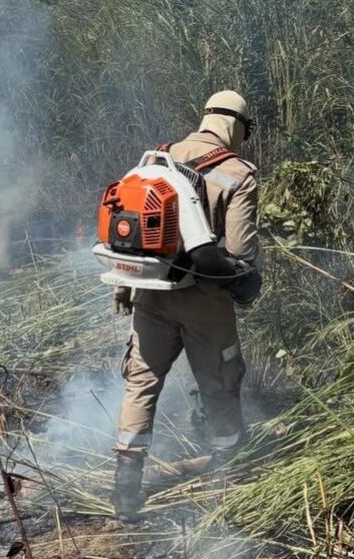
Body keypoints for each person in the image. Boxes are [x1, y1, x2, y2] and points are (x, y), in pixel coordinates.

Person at [110, 89, 261, 519]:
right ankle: (228, 483)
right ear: (236, 126)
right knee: (220, 384)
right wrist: (249, 283)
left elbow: (129, 233)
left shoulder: (157, 158)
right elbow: (240, 252)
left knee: (141, 383)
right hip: (205, 302)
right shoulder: (238, 173)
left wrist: (123, 289)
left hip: (150, 295)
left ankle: (125, 491)